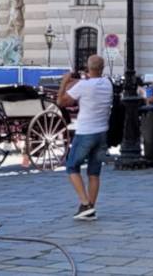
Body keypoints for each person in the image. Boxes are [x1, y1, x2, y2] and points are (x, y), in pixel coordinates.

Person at [58, 55, 111, 221]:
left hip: (86, 132)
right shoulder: (107, 84)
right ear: (102, 68)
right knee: (94, 173)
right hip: (102, 132)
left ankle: (85, 203)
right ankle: (90, 209)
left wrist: (64, 82)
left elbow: (61, 101)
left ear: (88, 68)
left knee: (72, 166)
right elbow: (91, 84)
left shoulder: (83, 86)